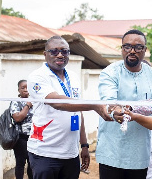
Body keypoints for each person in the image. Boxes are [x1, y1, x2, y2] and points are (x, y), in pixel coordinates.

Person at [27, 36, 110, 179]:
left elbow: (78, 110)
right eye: (54, 51)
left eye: (64, 51)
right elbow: (56, 102)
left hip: (70, 154)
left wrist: (84, 145)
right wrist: (94, 105)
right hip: (45, 153)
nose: (60, 55)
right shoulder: (37, 76)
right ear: (45, 54)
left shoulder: (73, 76)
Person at [97, 29, 152, 179]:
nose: (132, 51)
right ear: (122, 49)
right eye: (127, 47)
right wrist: (115, 110)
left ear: (145, 50)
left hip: (140, 152)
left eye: (138, 47)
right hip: (111, 150)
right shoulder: (110, 72)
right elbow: (108, 100)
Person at [10, 79, 33, 179]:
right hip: (21, 138)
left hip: (34, 138)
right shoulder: (16, 102)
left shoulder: (35, 101)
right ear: (18, 90)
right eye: (22, 88)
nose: (25, 90)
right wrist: (27, 105)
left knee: (32, 164)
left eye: (27, 87)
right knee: (20, 164)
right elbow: (18, 117)